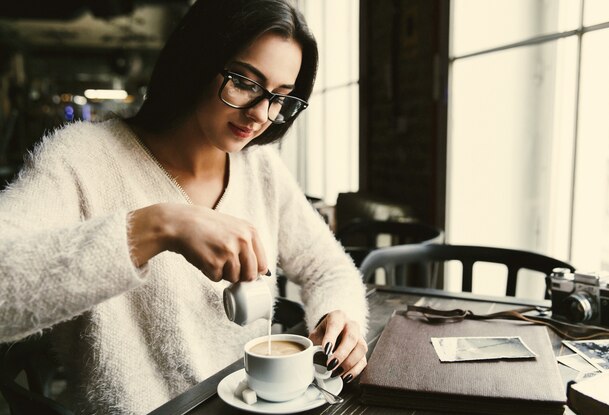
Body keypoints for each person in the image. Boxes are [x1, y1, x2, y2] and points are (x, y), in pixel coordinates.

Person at [0, 0, 369, 413]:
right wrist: (153, 228)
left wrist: (341, 316)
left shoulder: (260, 168)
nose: (261, 114)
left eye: (281, 98)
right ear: (196, 61)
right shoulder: (79, 159)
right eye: (245, 82)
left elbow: (328, 267)